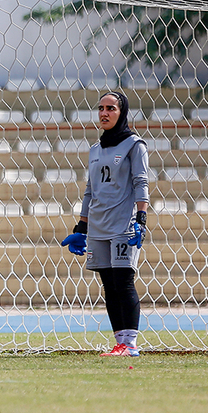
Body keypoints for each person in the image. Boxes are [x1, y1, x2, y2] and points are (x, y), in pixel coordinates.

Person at [61, 91, 149, 357]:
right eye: (100, 108)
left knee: (123, 281)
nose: (104, 113)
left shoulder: (135, 145)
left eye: (110, 108)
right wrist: (81, 228)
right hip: (98, 228)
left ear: (122, 112)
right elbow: (90, 190)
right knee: (108, 284)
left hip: (122, 224)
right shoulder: (96, 150)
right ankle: (120, 343)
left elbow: (141, 183)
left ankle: (131, 344)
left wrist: (141, 218)